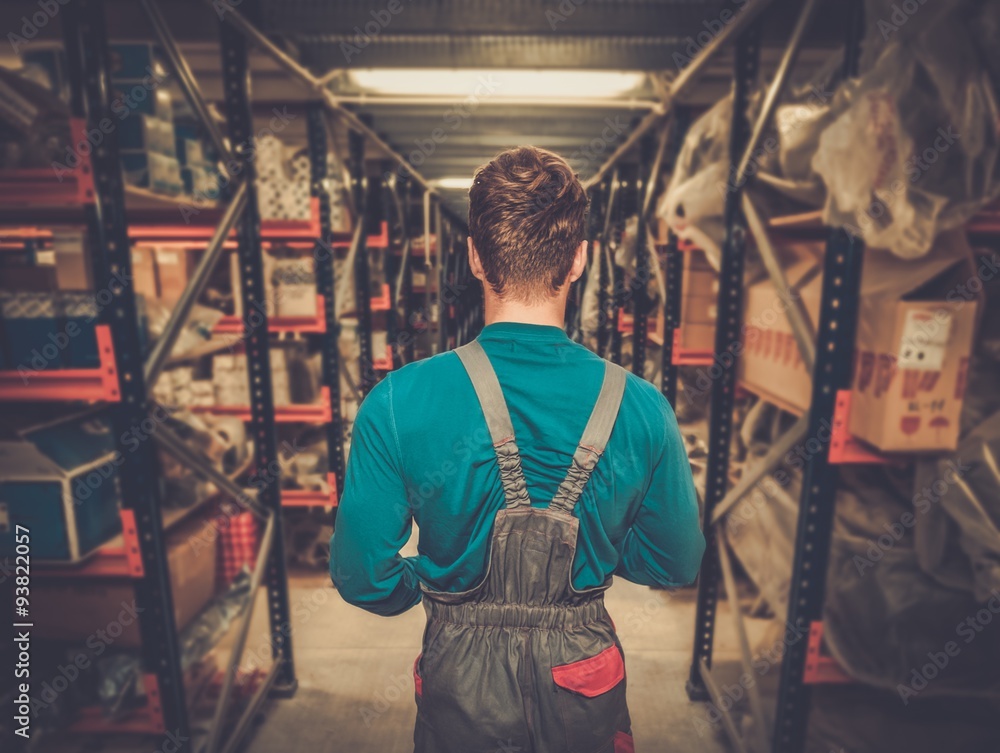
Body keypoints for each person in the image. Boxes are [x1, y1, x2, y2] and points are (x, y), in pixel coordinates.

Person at [330, 146, 705, 753]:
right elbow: (676, 561)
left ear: (475, 257)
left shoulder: (397, 400)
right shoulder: (642, 406)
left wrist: (432, 585)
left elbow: (361, 576)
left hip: (460, 684)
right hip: (584, 678)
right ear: (580, 260)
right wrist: (600, 549)